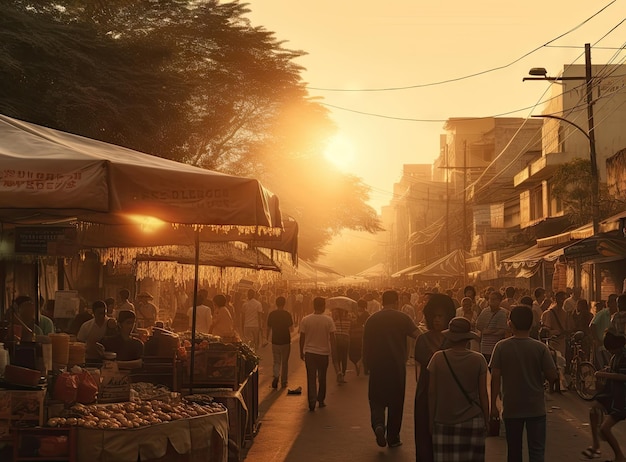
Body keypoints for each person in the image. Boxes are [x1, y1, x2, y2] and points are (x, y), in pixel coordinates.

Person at [490, 305, 558, 462]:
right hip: (536, 408)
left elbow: (495, 377)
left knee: (514, 452)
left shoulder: (501, 347)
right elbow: (552, 376)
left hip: (511, 407)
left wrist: (493, 405)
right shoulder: (540, 348)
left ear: (510, 324)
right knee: (536, 452)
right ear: (532, 324)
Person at [363, 290, 419, 449]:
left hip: (377, 367)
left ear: (382, 301)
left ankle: (379, 424)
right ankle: (393, 437)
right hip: (397, 368)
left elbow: (365, 344)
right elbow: (419, 336)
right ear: (396, 301)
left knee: (376, 399)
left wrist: (366, 364)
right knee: (396, 403)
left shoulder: (371, 320)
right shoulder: (403, 318)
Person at [428, 317, 489, 461]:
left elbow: (432, 393)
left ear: (450, 337)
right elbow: (483, 394)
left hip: (443, 420)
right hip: (472, 419)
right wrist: (486, 420)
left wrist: (431, 420)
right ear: (468, 338)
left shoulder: (438, 358)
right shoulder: (479, 359)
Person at [414, 293, 456, 461]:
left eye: (441, 316)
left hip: (449, 394)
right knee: (425, 435)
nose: (437, 320)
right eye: (434, 316)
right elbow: (419, 371)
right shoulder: (422, 340)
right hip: (425, 393)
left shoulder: (454, 340)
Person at [581, 330, 626, 461]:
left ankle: (619, 456)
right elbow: (613, 370)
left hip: (621, 398)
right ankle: (595, 445)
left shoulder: (623, 356)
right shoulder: (615, 356)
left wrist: (604, 374)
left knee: (605, 429)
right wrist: (604, 371)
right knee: (594, 410)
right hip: (612, 392)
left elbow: (623, 376)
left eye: (611, 349)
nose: (610, 352)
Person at [299, 296, 336, 411]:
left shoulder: (306, 319)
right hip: (323, 353)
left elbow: (302, 338)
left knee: (311, 378)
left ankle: (311, 402)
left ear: (313, 306)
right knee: (322, 377)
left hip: (310, 353)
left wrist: (301, 351)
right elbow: (333, 338)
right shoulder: (328, 320)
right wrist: (333, 352)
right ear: (323, 306)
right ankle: (321, 400)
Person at [266, 296, 294, 389]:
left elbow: (268, 328)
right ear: (284, 303)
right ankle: (284, 381)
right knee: (285, 362)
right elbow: (291, 329)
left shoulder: (272, 314)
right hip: (285, 341)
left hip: (275, 341)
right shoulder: (287, 314)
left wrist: (267, 338)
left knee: (276, 361)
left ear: (276, 303)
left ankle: (276, 376)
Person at [476, 290, 508, 364]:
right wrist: (488, 331)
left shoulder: (502, 313)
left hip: (496, 347)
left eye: (494, 299)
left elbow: (502, 330)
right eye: (490, 299)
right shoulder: (484, 311)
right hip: (484, 347)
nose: (491, 301)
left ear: (499, 301)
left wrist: (489, 332)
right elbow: (478, 325)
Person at [590, 295, 618, 369]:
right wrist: (596, 340)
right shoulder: (603, 313)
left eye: (612, 301)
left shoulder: (619, 315)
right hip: (602, 345)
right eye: (608, 301)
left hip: (615, 346)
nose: (609, 303)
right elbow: (592, 325)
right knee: (602, 367)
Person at [349, 299, 369, 376]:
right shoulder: (354, 314)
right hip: (354, 337)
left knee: (363, 352)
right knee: (354, 352)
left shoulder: (367, 315)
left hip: (362, 336)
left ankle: (364, 367)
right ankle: (358, 364)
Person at [331, 307, 351, 384]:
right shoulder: (348, 319)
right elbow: (350, 328)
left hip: (337, 338)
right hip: (346, 338)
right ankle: (343, 373)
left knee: (337, 357)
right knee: (344, 357)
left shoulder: (334, 320)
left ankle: (338, 372)